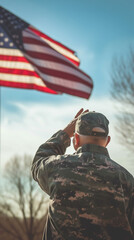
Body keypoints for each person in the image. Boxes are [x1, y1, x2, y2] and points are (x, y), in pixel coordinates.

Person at [31, 108, 134, 240]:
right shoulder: (126, 179)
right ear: (107, 141)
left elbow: (38, 162)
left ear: (76, 139)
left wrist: (66, 133)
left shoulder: (57, 168)